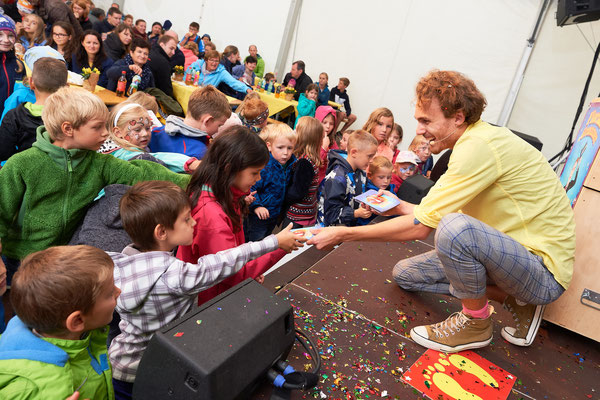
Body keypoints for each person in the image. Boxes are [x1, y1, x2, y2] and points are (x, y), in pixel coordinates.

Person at [309, 69, 576, 353]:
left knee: (454, 228)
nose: (420, 130)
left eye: (426, 121)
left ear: (458, 118)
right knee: (405, 274)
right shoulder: (471, 143)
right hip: (508, 257)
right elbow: (427, 213)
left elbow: (421, 227)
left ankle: (475, 323)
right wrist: (396, 205)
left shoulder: (478, 147)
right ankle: (514, 301)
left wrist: (343, 233)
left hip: (542, 272)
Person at [108, 181, 303, 399]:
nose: (194, 222)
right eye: (186, 219)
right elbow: (223, 261)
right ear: (161, 232)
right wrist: (275, 241)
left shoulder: (119, 262)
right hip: (145, 372)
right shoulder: (175, 277)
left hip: (120, 363)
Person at [0, 86, 190, 282]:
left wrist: (193, 182)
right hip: (18, 258)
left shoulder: (99, 163)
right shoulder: (22, 165)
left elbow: (142, 172)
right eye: (97, 127)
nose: (106, 134)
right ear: (68, 129)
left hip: (62, 257)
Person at [177, 126, 291, 305]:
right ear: (229, 169)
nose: (259, 179)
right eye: (254, 173)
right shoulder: (212, 216)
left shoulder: (223, 193)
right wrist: (281, 246)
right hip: (210, 301)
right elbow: (231, 273)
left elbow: (233, 252)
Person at [0, 245, 119, 399]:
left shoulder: (81, 336)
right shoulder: (30, 389)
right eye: (110, 294)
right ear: (77, 321)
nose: (118, 292)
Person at [100, 102, 200, 173]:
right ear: (118, 132)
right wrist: (189, 163)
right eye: (137, 130)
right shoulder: (122, 154)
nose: (145, 134)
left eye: (148, 128)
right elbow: (154, 159)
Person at [0, 57, 67, 162]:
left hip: (24, 171)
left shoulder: (13, 116)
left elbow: (4, 152)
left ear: (31, 83)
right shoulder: (73, 115)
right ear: (66, 86)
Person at [149, 85, 231, 159]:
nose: (217, 130)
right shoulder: (199, 154)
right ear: (207, 121)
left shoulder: (155, 132)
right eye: (219, 125)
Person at [246, 124, 297, 241]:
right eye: (280, 148)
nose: (286, 153)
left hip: (274, 213)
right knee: (255, 242)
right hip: (258, 216)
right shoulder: (264, 166)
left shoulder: (290, 164)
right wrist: (257, 206)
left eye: (290, 148)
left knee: (267, 240)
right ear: (269, 146)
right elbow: (251, 187)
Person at [316, 130, 376, 227]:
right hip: (330, 234)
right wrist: (355, 213)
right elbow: (331, 214)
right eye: (369, 156)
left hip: (347, 231)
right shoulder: (336, 178)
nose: (372, 160)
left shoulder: (360, 172)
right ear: (354, 152)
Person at [282, 116, 324, 228]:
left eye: (296, 129)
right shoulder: (310, 159)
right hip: (306, 213)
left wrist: (282, 197)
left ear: (303, 137)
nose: (293, 131)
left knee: (286, 244)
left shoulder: (305, 163)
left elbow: (297, 192)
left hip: (297, 216)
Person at [188, 49, 252, 97]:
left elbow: (233, 82)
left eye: (216, 61)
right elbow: (187, 74)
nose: (214, 63)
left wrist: (246, 89)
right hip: (189, 90)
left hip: (205, 97)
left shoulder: (221, 72)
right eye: (211, 60)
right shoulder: (197, 64)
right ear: (206, 60)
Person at [358, 155, 397, 225]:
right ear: (370, 175)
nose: (386, 181)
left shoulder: (390, 189)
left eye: (388, 177)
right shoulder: (367, 192)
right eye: (381, 177)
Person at [0, 14, 24, 117]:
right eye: (0, 35)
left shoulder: (19, 65)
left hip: (12, 121)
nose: (6, 40)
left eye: (10, 35)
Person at [315, 105, 337, 184]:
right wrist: (323, 148)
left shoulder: (332, 141)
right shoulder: (312, 139)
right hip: (314, 180)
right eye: (324, 122)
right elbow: (314, 163)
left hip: (326, 180)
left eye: (331, 124)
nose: (328, 126)